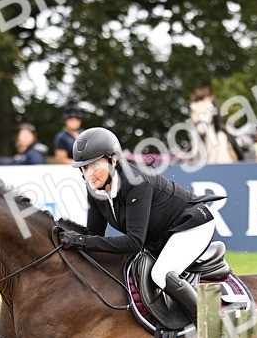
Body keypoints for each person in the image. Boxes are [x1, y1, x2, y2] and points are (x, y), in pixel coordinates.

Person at [57, 127, 220, 319]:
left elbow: (134, 243)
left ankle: (212, 325)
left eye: (94, 166)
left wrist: (82, 241)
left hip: (192, 225)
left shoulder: (136, 182)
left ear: (113, 160)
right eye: (84, 168)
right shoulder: (95, 189)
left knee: (161, 273)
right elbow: (95, 236)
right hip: (163, 236)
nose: (89, 175)